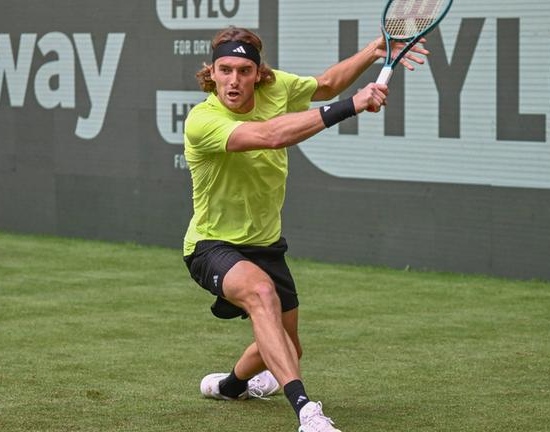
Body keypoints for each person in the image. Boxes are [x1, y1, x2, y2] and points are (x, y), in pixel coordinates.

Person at [182, 27, 428, 432]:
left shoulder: (276, 88)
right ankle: (307, 413)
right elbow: (269, 134)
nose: (233, 80)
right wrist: (352, 106)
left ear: (259, 72)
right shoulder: (203, 120)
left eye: (244, 70)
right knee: (261, 294)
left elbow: (327, 83)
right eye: (224, 70)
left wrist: (372, 50)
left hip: (265, 243)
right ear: (212, 72)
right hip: (212, 244)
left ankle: (230, 386)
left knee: (287, 345)